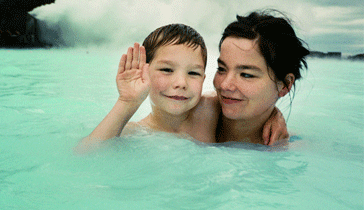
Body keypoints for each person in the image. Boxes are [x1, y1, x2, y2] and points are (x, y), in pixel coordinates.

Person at [75, 23, 288, 153]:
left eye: (193, 73)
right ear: (144, 72)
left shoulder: (208, 110)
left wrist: (274, 112)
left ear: (204, 78)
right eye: (167, 70)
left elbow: (249, 102)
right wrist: (127, 103)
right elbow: (88, 154)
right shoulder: (137, 132)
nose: (181, 83)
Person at [213, 10, 309, 144]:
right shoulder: (191, 120)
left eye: (246, 75)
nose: (224, 85)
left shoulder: (290, 149)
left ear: (285, 85)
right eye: (221, 69)